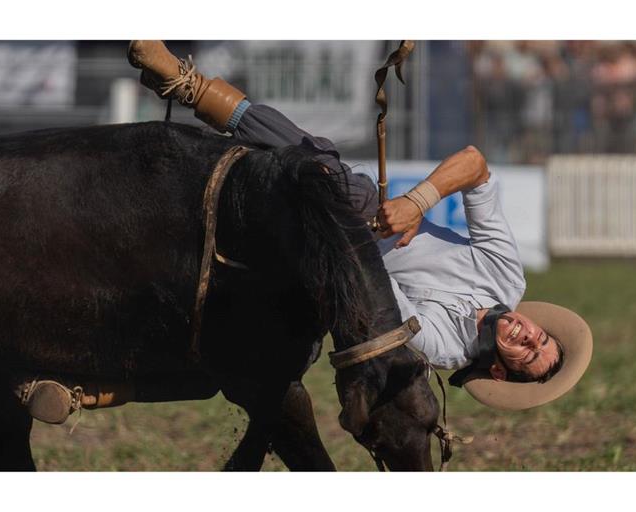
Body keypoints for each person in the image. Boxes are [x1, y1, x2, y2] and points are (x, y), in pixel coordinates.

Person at [127, 41, 592, 411]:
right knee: (327, 172)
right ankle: (188, 86)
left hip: (333, 266)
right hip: (359, 210)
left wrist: (369, 231)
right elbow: (474, 165)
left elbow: (373, 291)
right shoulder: (508, 277)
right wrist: (416, 202)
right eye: (542, 338)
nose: (530, 336)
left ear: (497, 372)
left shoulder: (439, 350)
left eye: (528, 354)